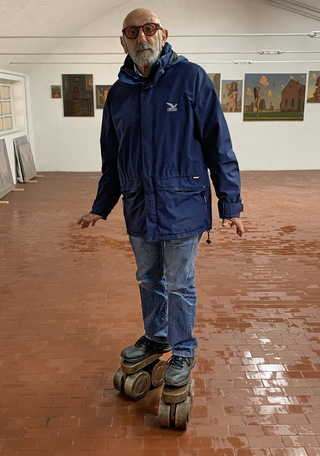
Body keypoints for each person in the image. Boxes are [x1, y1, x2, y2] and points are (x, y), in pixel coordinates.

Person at [77, 8, 244, 388]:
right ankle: (157, 337)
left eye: (149, 30)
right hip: (139, 207)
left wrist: (230, 204)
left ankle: (183, 350)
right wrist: (100, 207)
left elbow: (219, 145)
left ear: (163, 35)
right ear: (123, 42)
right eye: (132, 32)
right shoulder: (118, 94)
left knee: (179, 282)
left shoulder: (191, 79)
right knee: (148, 278)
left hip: (182, 205)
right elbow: (113, 159)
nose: (142, 38)